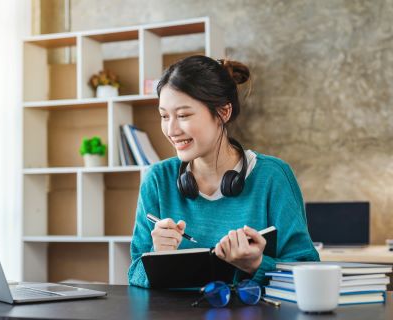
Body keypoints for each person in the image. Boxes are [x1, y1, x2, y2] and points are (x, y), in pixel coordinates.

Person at [128, 55, 319, 288]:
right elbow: (134, 273)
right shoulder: (157, 179)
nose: (171, 129)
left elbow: (308, 268)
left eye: (184, 115)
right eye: (164, 116)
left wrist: (256, 264)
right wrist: (156, 255)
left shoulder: (272, 177)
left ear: (223, 112)